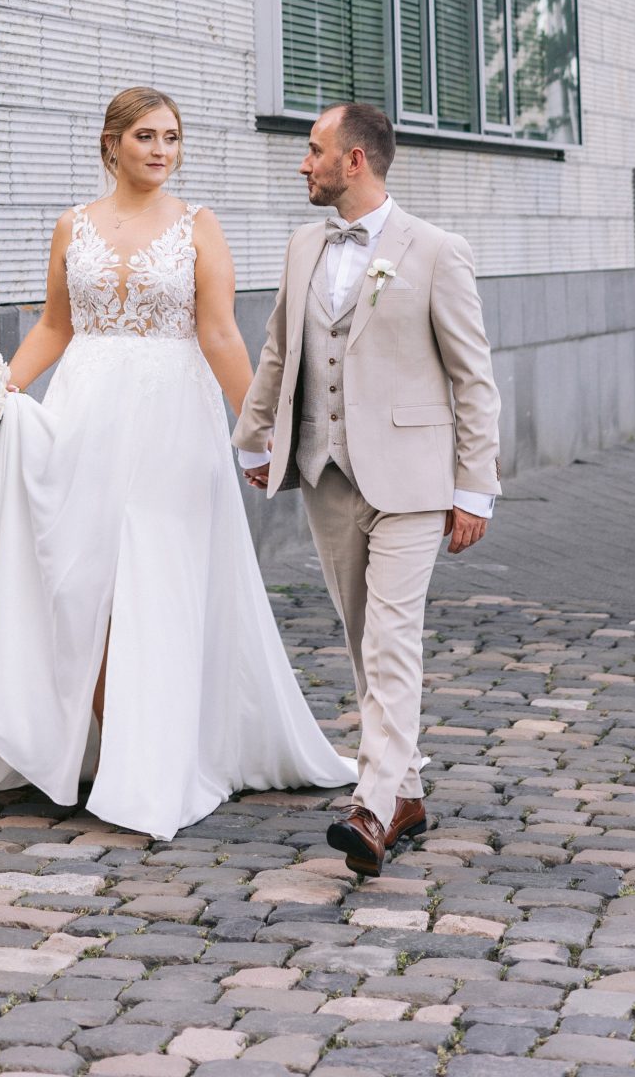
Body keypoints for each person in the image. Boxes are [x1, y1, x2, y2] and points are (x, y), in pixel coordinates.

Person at [0, 87, 354, 841]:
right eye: (145, 135)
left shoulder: (196, 227)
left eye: (171, 137)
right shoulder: (71, 226)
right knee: (83, 582)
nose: (159, 149)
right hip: (83, 414)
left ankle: (143, 757)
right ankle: (97, 742)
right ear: (111, 142)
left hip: (169, 418)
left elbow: (219, 335)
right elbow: (54, 325)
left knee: (151, 578)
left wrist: (257, 430)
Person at [233, 101, 501, 880]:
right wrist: (256, 437)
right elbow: (279, 349)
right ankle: (407, 791)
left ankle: (373, 805)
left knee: (389, 639)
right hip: (328, 473)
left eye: (312, 150)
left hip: (415, 480)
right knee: (359, 637)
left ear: (354, 161)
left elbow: (472, 379)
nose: (302, 163)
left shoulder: (436, 250)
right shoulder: (300, 246)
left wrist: (474, 487)